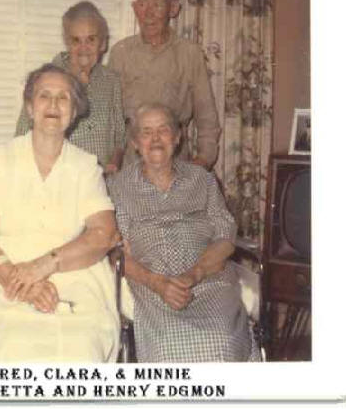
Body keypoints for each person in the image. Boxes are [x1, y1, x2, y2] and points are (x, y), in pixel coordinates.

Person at [0, 63, 120, 362]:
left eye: (63, 97)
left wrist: (44, 266)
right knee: (13, 348)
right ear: (29, 107)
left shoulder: (85, 166)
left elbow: (104, 234)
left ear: (74, 111)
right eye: (44, 96)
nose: (53, 104)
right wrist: (21, 282)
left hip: (76, 275)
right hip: (9, 277)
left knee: (81, 350)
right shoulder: (1, 160)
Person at [107, 103, 259, 362]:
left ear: (177, 138)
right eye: (146, 132)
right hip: (153, 283)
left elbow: (225, 236)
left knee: (222, 339)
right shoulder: (118, 186)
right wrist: (158, 284)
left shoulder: (202, 179)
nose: (155, 139)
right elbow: (117, 253)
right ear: (135, 143)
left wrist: (195, 273)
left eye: (163, 130)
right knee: (167, 347)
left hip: (209, 277)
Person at [109, 0, 221, 169]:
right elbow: (110, 117)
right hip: (130, 162)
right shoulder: (121, 53)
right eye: (142, 4)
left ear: (173, 8)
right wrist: (113, 163)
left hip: (175, 162)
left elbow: (207, 116)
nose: (149, 13)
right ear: (135, 9)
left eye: (158, 4)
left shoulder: (190, 54)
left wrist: (203, 161)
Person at [15, 1, 126, 174]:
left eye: (91, 39)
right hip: (57, 178)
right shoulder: (46, 80)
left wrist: (114, 163)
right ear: (67, 42)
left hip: (99, 180)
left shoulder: (111, 81)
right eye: (76, 40)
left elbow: (120, 135)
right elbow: (22, 136)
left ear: (103, 44)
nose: (83, 48)